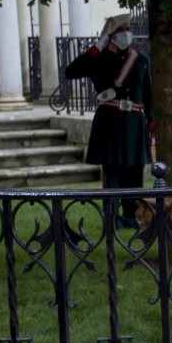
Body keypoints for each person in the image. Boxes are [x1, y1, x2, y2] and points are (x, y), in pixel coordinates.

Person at [65, 13, 154, 229]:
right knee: (112, 172)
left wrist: (151, 124)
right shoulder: (99, 60)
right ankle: (113, 218)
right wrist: (96, 49)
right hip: (110, 123)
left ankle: (132, 216)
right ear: (111, 35)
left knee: (134, 172)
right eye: (122, 29)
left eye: (128, 29)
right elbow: (71, 72)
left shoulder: (140, 61)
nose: (127, 33)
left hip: (134, 123)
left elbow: (149, 97)